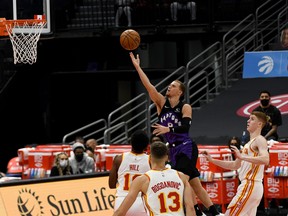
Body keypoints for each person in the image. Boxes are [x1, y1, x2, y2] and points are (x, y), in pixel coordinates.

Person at [129, 52, 222, 216]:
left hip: (186, 147)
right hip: (172, 150)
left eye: (173, 86)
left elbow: (185, 127)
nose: (169, 87)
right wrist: (137, 67)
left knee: (181, 180)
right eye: (169, 85)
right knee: (195, 184)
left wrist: (168, 130)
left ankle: (196, 212)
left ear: (180, 92)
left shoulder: (185, 107)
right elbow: (149, 86)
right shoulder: (161, 103)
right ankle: (216, 213)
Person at [202, 111, 270, 216]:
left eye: (252, 119)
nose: (248, 120)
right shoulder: (248, 144)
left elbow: (266, 159)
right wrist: (212, 160)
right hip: (251, 186)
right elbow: (235, 165)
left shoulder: (260, 140)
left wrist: (243, 156)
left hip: (250, 185)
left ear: (259, 124)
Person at [113, 141, 196, 216]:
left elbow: (121, 211)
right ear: (167, 157)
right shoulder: (181, 177)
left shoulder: (143, 180)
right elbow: (190, 208)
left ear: (150, 156)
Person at [109, 129, 150, 216]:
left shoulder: (119, 158)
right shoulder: (151, 160)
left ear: (131, 143)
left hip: (121, 200)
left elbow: (111, 184)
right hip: (140, 201)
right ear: (147, 146)